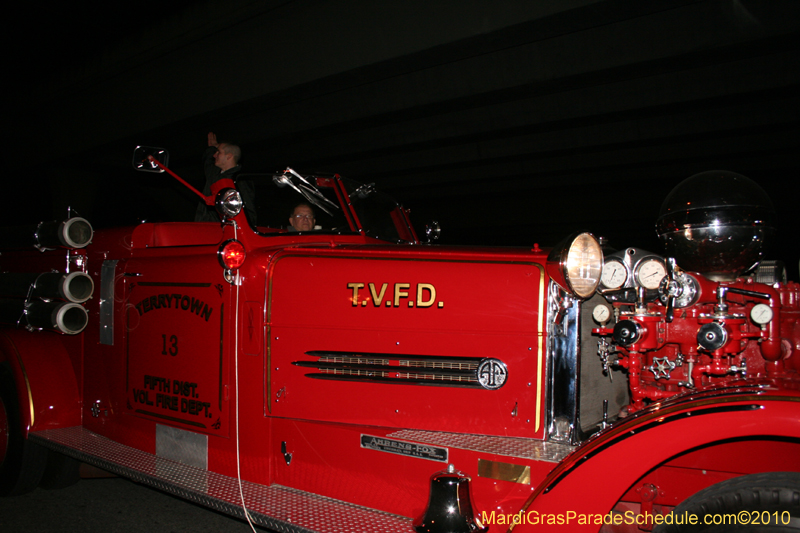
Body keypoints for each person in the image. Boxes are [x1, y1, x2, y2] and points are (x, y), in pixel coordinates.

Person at [195, 132, 256, 224]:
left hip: (220, 231)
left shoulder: (240, 180)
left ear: (229, 156)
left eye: (218, 152)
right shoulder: (214, 174)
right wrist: (211, 148)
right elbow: (208, 163)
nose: (214, 155)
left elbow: (248, 212)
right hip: (203, 227)